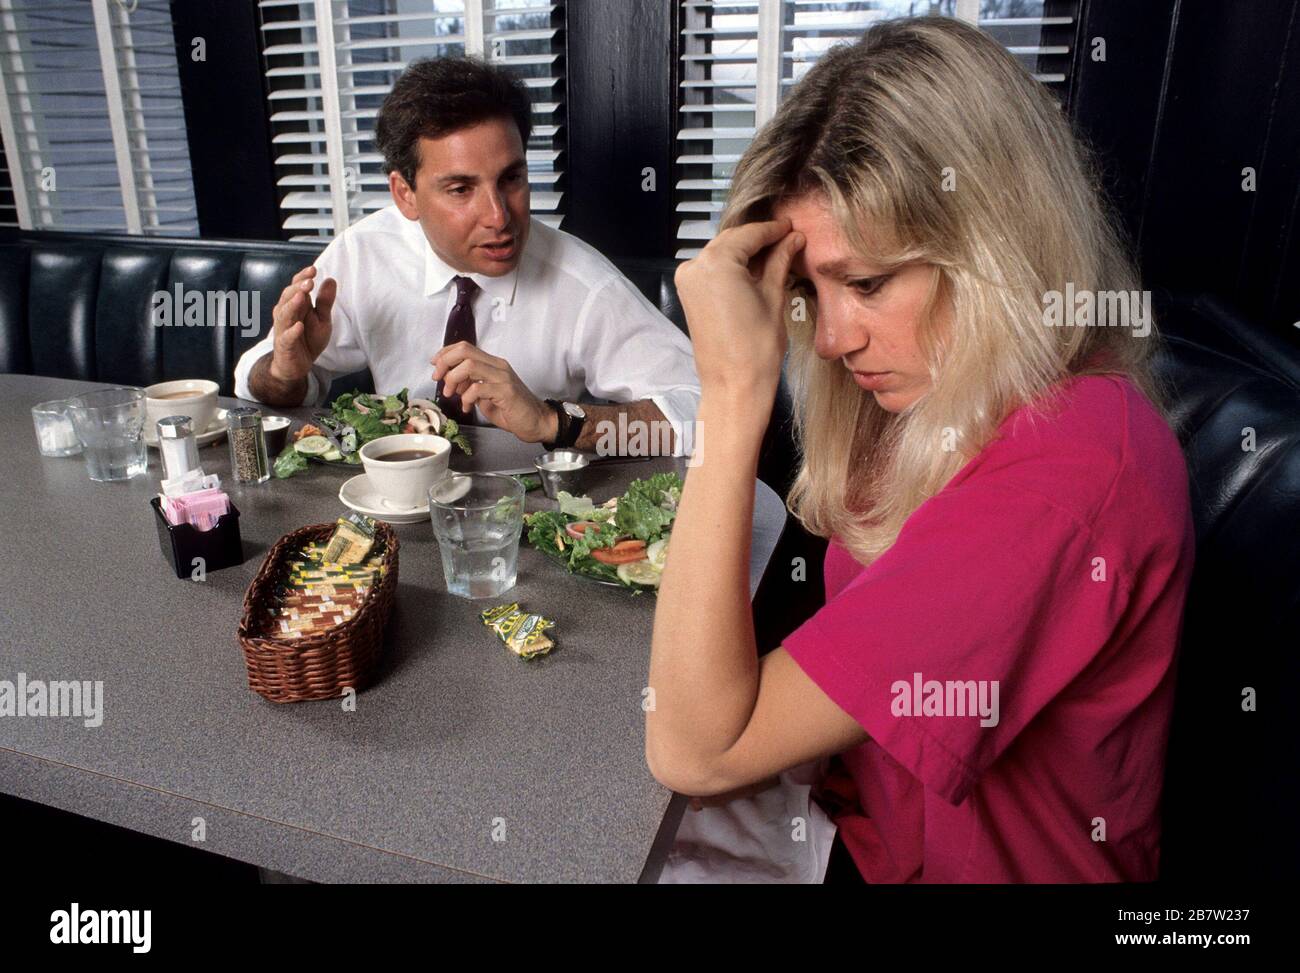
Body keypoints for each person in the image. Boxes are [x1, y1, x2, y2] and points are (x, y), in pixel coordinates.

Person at [646, 16, 1195, 883]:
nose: (827, 338)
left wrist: (733, 395)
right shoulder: (946, 393)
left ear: (996, 245)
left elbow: (695, 749)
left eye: (866, 283)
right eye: (807, 289)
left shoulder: (1069, 470)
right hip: (873, 839)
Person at [234, 57, 699, 455]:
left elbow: (701, 417)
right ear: (405, 194)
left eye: (511, 179)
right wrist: (284, 372)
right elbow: (259, 388)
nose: (499, 216)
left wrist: (554, 420)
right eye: (460, 189)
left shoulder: (584, 285)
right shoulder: (363, 254)